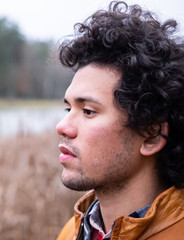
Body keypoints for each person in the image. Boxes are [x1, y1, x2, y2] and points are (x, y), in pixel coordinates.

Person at [55, 1, 184, 239]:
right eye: (68, 108)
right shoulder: (70, 233)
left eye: (88, 111)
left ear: (151, 135)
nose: (63, 127)